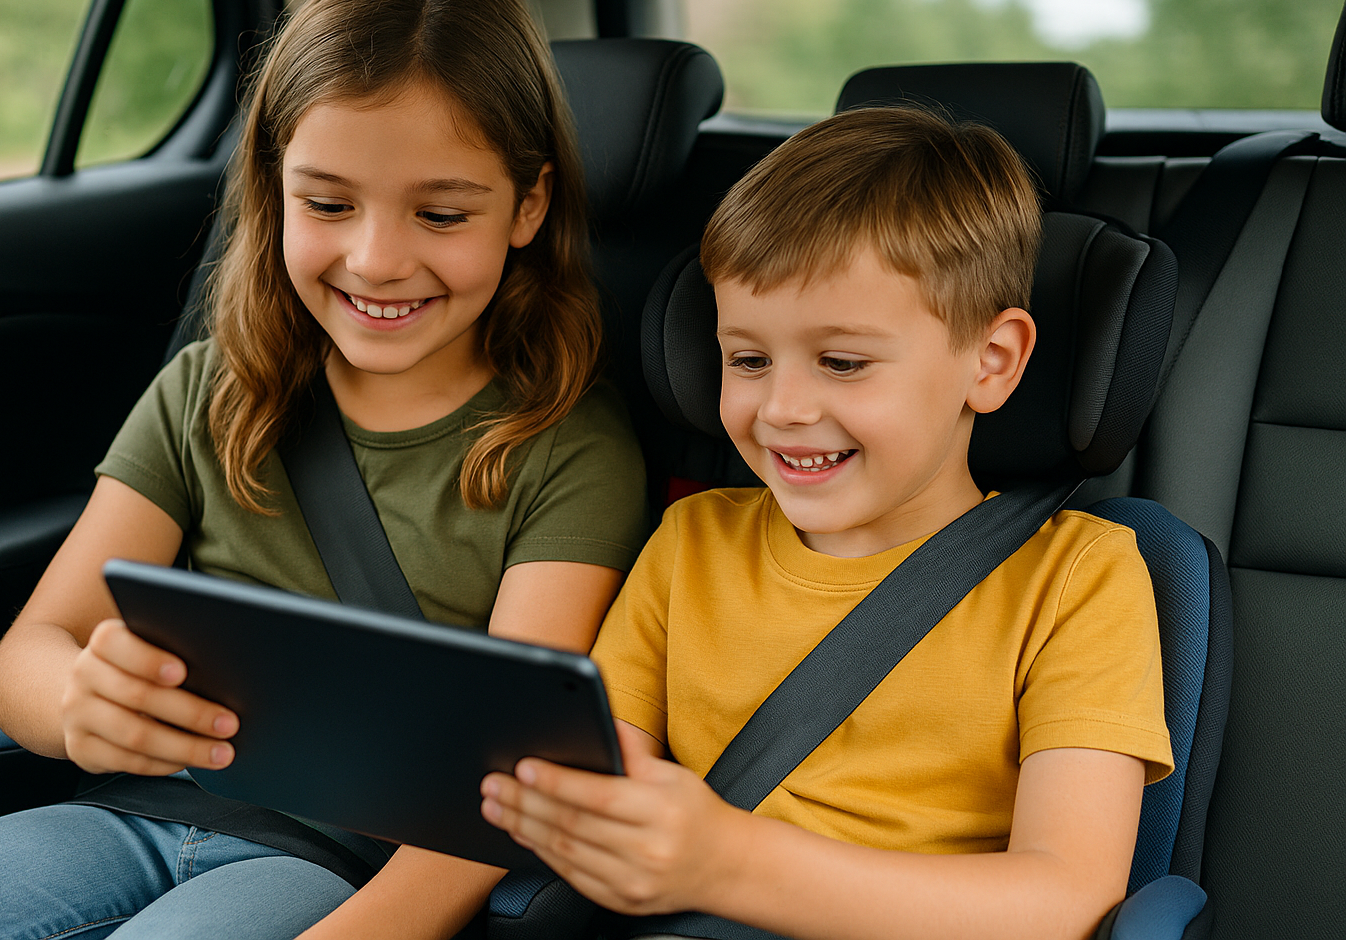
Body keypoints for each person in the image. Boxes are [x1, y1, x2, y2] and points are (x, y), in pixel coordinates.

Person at [0, 0, 647, 940]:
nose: (377, 257)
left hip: (347, 862)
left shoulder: (569, 450)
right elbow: (29, 651)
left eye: (441, 212)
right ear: (273, 187)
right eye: (328, 203)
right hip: (132, 807)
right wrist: (78, 703)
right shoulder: (211, 389)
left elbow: (506, 777)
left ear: (529, 206)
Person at [480, 106, 1175, 940]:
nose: (782, 408)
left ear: (990, 363)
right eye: (748, 359)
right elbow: (603, 776)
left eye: (842, 362)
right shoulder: (691, 543)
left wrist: (727, 862)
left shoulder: (1078, 580)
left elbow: (1068, 899)